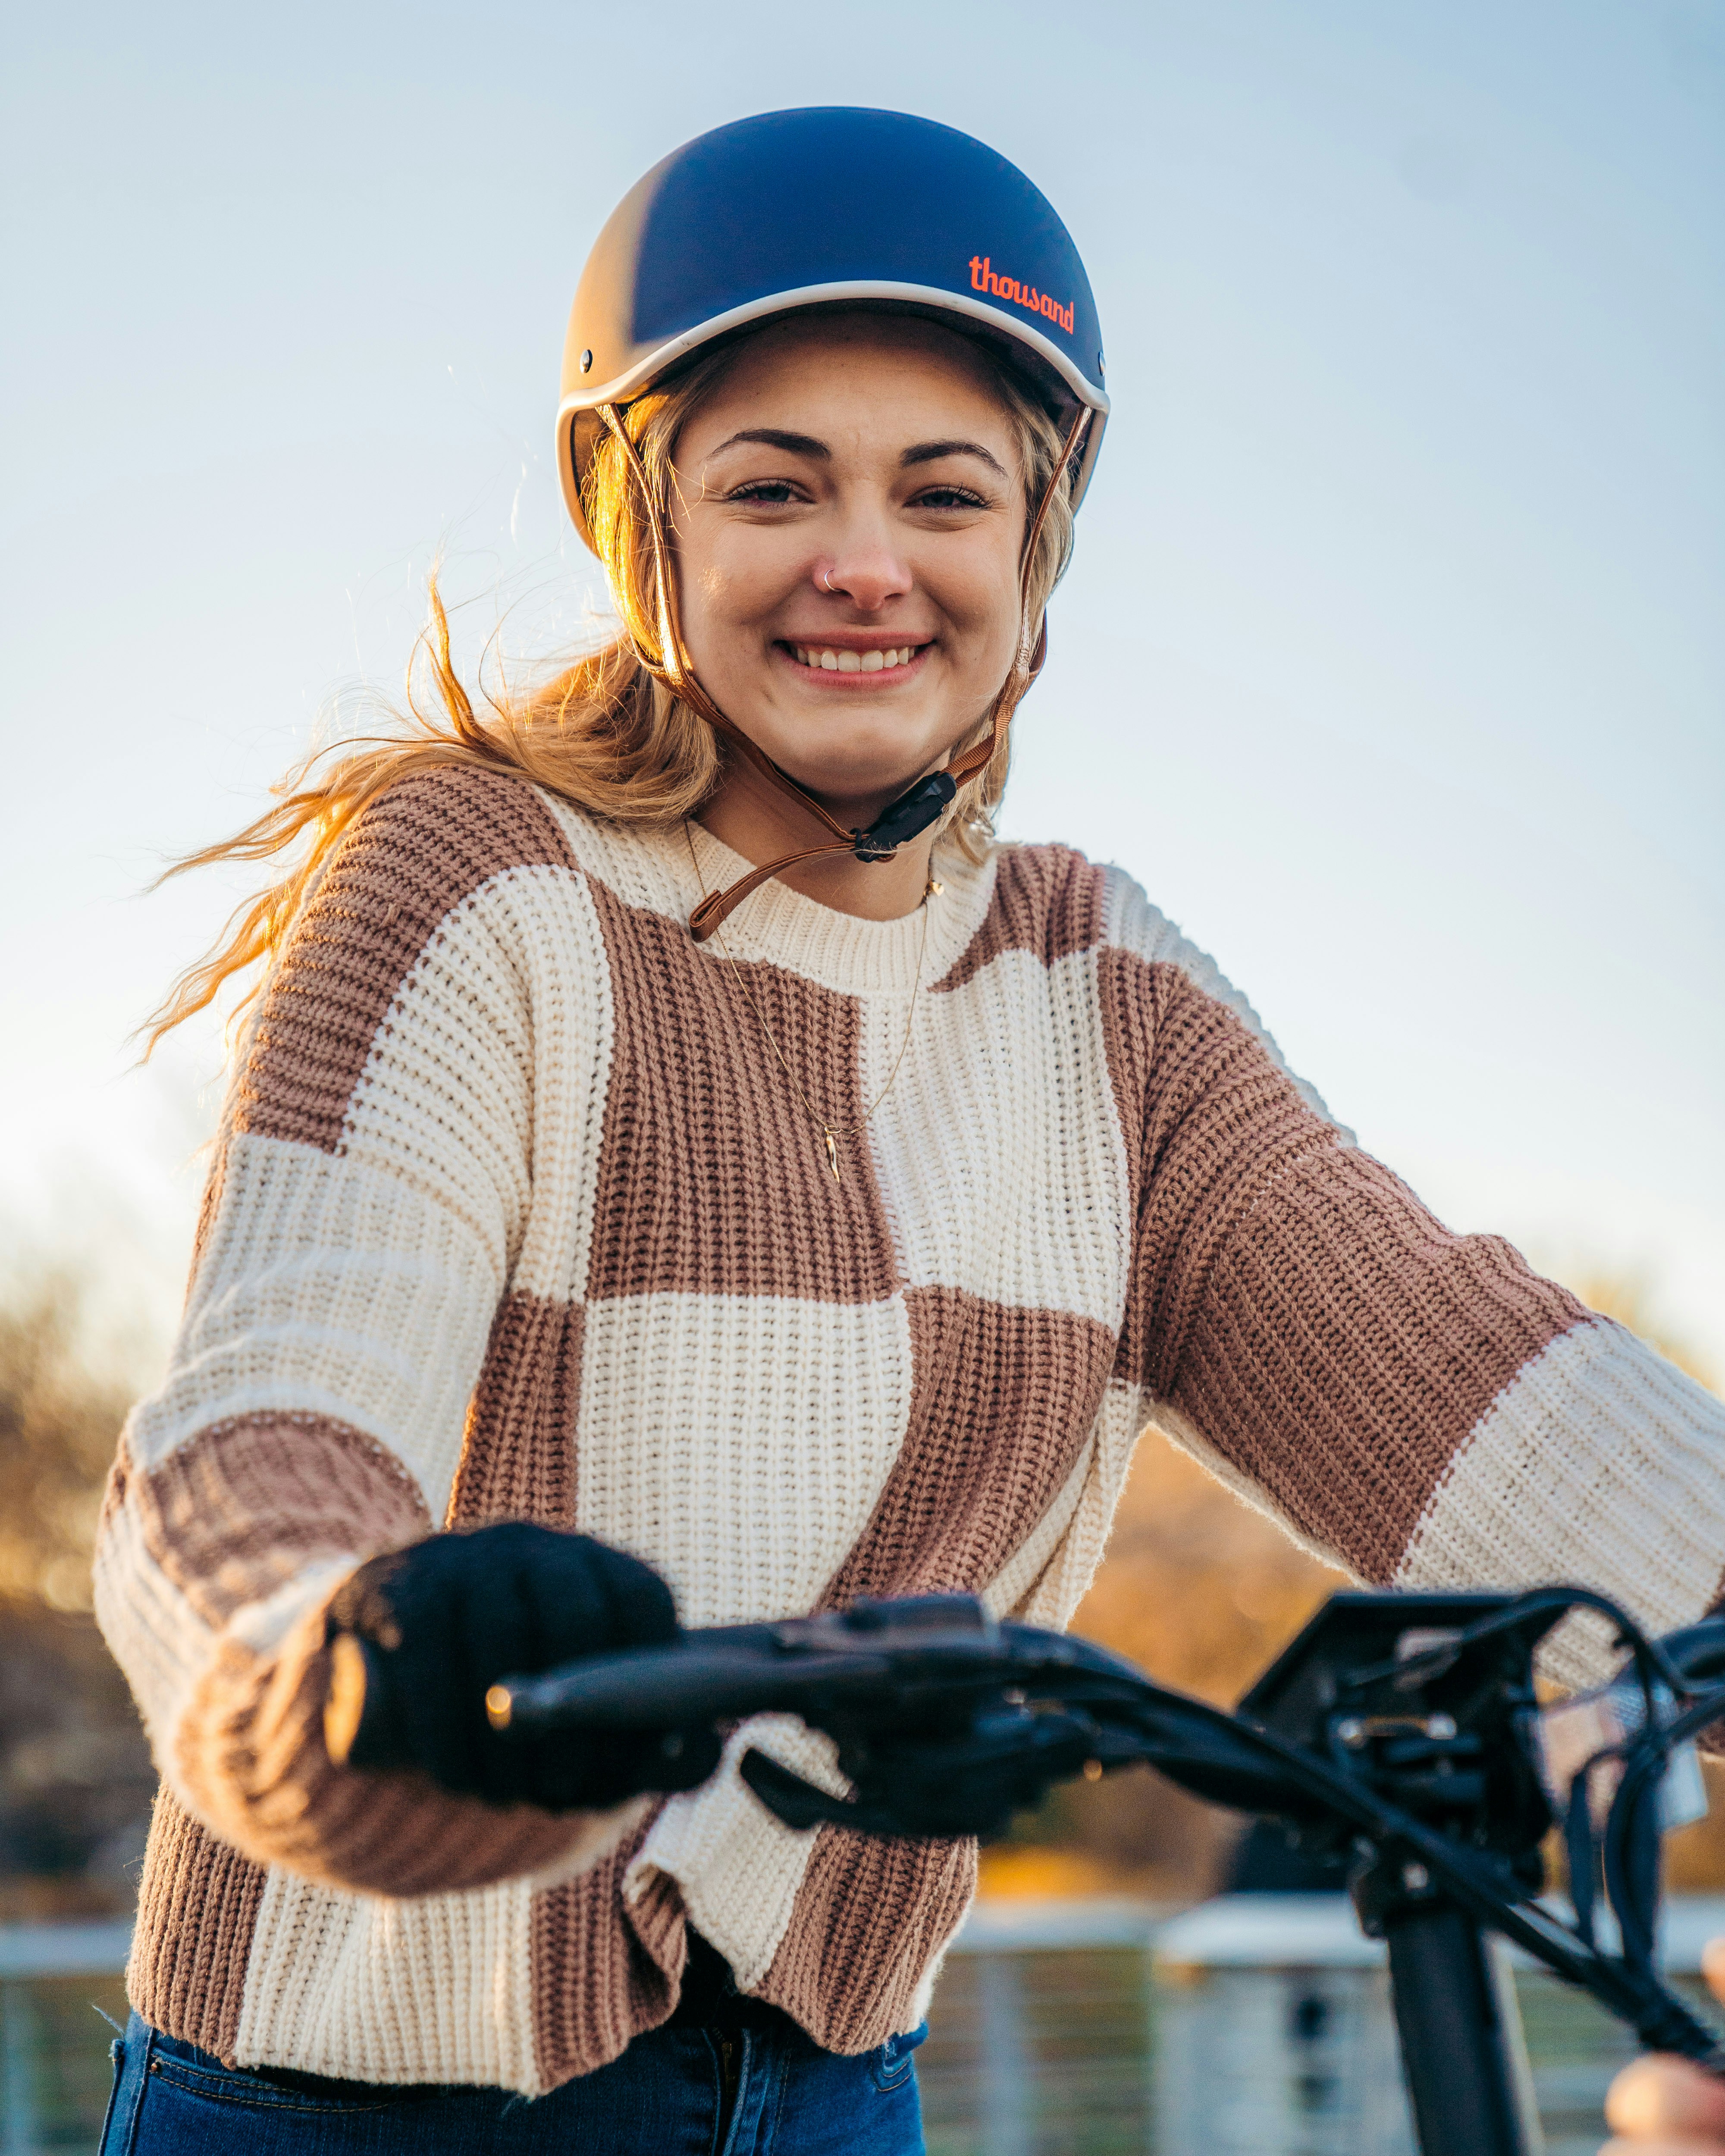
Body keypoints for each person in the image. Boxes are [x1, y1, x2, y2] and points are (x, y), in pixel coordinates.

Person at [90, 107, 1724, 2156]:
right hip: (351, 2100)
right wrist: (328, 1659)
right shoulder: (481, 882)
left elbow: (1455, 1377)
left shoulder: (1100, 994)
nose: (865, 560)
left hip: (835, 2094)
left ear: (1030, 551)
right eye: (777, 486)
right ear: (648, 528)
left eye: (942, 493)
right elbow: (258, 1423)